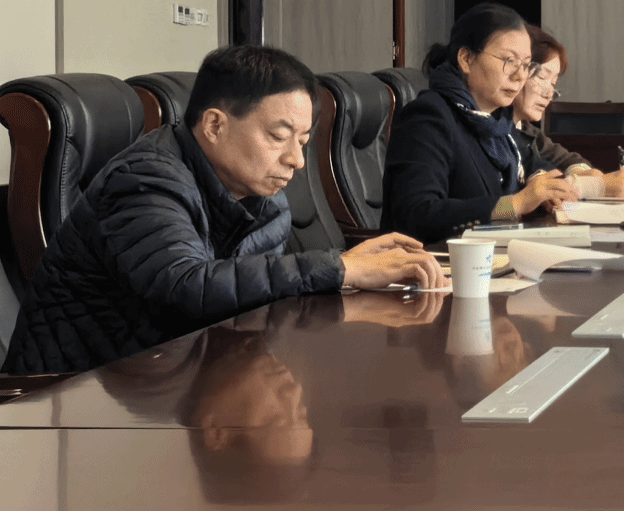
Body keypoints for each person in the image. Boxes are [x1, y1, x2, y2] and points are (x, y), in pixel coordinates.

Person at [2, 45, 444, 377]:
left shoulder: (261, 192)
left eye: (304, 141)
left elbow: (253, 297)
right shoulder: (145, 180)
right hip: (76, 398)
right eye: (279, 136)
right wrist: (339, 268)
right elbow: (186, 287)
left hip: (177, 376)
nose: (296, 160)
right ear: (214, 125)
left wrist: (351, 271)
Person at [381, 3, 580, 244]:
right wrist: (515, 204)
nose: (519, 76)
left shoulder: (497, 121)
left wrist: (543, 185)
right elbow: (416, 215)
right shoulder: (428, 117)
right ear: (466, 59)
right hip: (439, 261)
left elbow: (533, 163)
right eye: (509, 60)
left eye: (526, 65)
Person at [514, 25, 624, 199]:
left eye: (553, 84)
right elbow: (507, 200)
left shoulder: (526, 130)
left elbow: (566, 160)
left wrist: (582, 173)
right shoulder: (494, 132)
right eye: (541, 77)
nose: (548, 93)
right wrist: (592, 186)